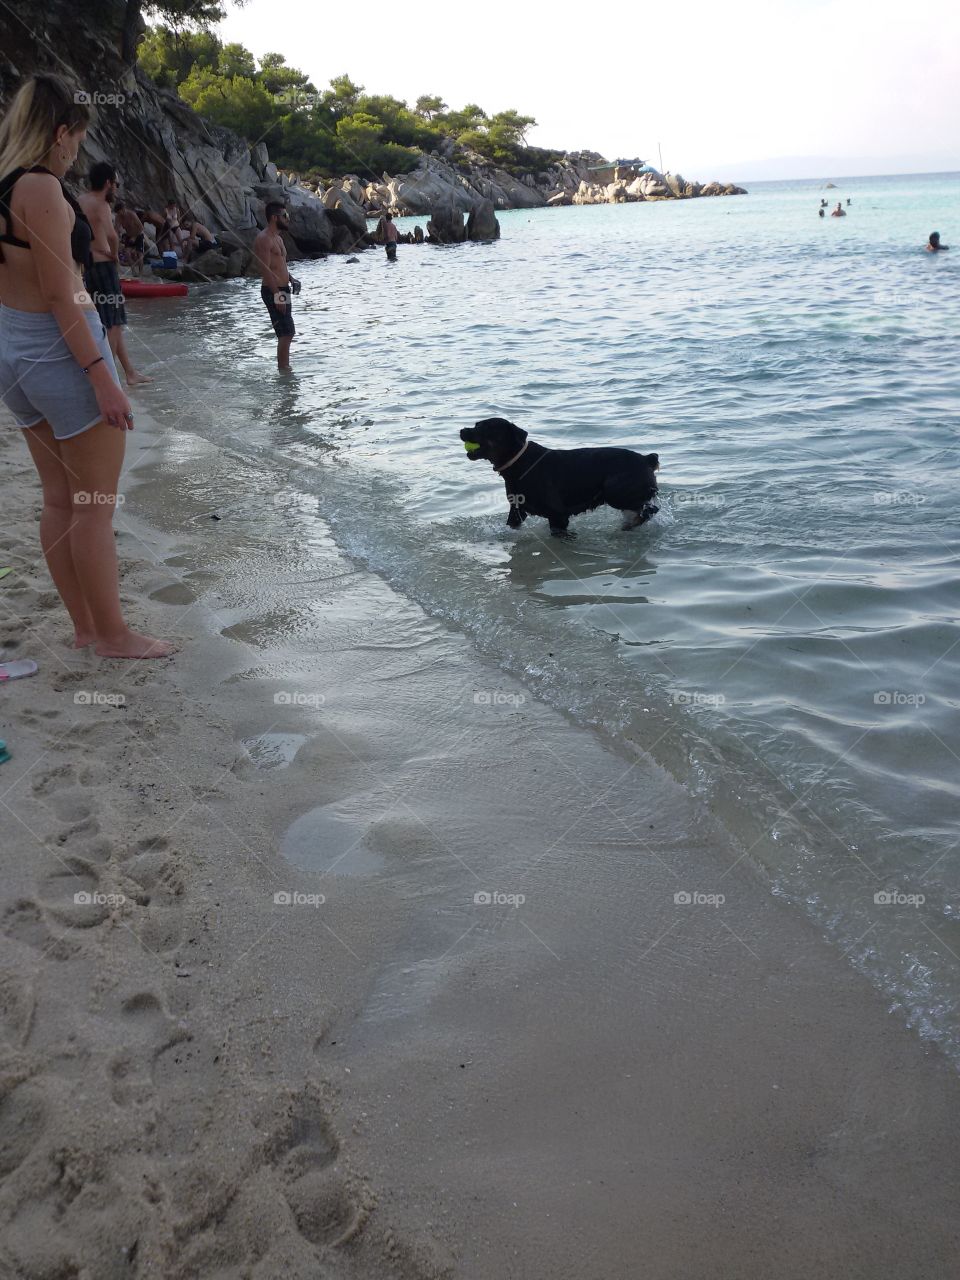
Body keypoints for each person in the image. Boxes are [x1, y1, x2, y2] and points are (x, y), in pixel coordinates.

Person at [0, 74, 172, 658]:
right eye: (76, 137)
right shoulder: (43, 190)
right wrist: (104, 377)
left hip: (15, 354)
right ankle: (114, 636)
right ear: (58, 132)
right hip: (59, 355)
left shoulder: (2, 186)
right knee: (94, 507)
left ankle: (86, 629)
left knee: (59, 501)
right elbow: (61, 294)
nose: (78, 151)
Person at [79, 162, 150, 386]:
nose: (116, 188)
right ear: (108, 183)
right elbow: (111, 235)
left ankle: (129, 372)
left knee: (110, 320)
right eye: (116, 184)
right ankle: (107, 378)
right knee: (112, 324)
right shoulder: (101, 204)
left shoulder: (80, 201)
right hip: (105, 267)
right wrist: (114, 255)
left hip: (89, 267)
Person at [253, 201, 297, 371]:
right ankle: (283, 371)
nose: (288, 219)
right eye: (285, 216)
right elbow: (264, 269)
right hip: (273, 291)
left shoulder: (278, 238)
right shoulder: (263, 239)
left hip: (283, 289)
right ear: (274, 217)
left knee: (288, 332)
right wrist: (277, 294)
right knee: (285, 333)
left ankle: (285, 368)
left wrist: (291, 278)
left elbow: (280, 265)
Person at [114, 200, 144, 274]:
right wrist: (116, 240)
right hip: (128, 235)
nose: (119, 214)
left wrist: (134, 237)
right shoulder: (118, 217)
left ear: (123, 209)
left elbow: (141, 227)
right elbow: (116, 229)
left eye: (119, 212)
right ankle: (133, 271)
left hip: (138, 234)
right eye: (117, 213)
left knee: (139, 254)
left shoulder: (132, 214)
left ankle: (141, 272)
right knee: (127, 253)